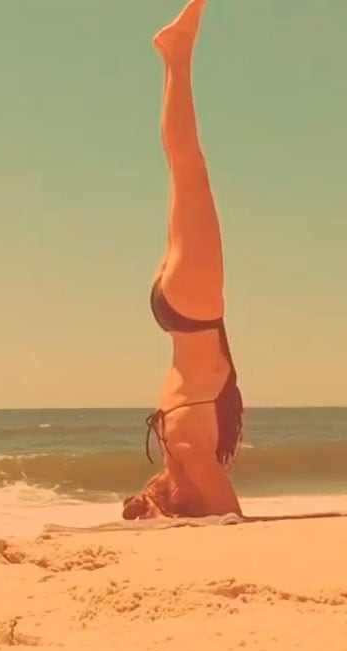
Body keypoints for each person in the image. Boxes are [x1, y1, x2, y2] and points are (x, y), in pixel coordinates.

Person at [123, 0, 244, 520]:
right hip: (176, 312)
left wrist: (193, 511)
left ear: (185, 493)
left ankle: (177, 55)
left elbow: (231, 518)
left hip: (195, 310)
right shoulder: (174, 436)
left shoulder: (188, 446)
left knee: (188, 164)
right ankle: (176, 55)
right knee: (183, 170)